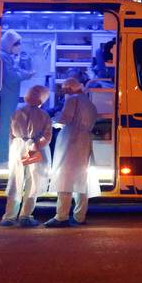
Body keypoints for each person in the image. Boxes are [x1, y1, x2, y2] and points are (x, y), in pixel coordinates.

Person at [45, 79, 100, 228]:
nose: (63, 93)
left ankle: (61, 216)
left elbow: (64, 120)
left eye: (64, 89)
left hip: (71, 140)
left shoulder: (72, 100)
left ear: (69, 89)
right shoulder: (90, 103)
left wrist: (50, 121)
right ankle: (80, 216)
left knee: (65, 177)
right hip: (85, 140)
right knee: (82, 179)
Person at [1, 85, 53, 228]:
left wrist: (16, 147)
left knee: (15, 181)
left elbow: (11, 134)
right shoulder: (44, 115)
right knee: (32, 182)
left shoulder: (17, 112)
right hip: (34, 148)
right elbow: (47, 136)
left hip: (17, 148)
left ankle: (9, 217)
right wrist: (36, 145)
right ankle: (26, 216)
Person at [0, 30, 34, 164]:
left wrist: (24, 72)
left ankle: (3, 156)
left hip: (8, 99)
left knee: (8, 126)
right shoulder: (2, 57)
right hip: (6, 99)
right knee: (5, 127)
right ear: (9, 44)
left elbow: (14, 71)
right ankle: (2, 158)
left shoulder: (6, 56)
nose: (19, 46)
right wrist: (26, 75)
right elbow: (11, 77)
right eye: (17, 44)